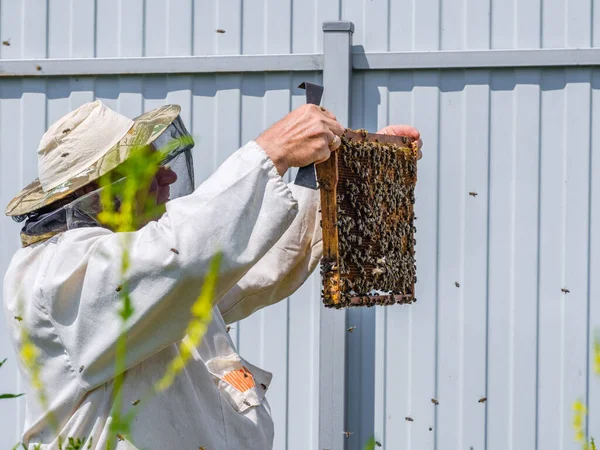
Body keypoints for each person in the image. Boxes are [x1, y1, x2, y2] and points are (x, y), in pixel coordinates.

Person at [3, 100, 422, 449]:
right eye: (150, 169)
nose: (168, 175)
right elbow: (182, 254)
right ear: (99, 191)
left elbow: (253, 262)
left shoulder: (157, 281)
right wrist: (268, 154)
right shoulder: (56, 273)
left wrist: (345, 169)